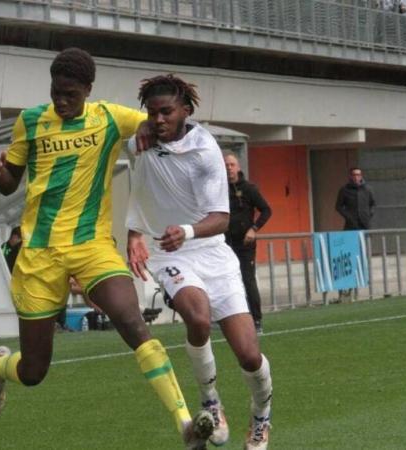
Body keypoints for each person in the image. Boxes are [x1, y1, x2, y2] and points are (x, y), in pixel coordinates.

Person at [0, 48, 213, 449]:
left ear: (88, 89)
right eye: (56, 92)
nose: (62, 101)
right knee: (34, 371)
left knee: (131, 320)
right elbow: (10, 182)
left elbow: (162, 123)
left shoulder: (108, 117)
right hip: (39, 252)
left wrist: (145, 130)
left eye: (71, 93)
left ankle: (186, 423)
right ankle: (1, 367)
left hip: (92, 245)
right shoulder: (31, 121)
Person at [125, 74, 273, 450]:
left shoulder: (205, 150)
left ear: (185, 112)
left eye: (166, 112)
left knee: (249, 355)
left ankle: (260, 421)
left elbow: (221, 218)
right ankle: (211, 401)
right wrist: (135, 234)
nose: (158, 120)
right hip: (171, 254)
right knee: (198, 316)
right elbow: (137, 187)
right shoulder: (139, 143)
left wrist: (187, 231)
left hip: (210, 250)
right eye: (152, 113)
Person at [224, 153, 272, 333]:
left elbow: (267, 210)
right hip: (224, 243)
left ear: (238, 167)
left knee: (247, 279)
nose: (229, 168)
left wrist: (254, 228)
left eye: (232, 165)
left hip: (244, 243)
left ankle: (257, 320)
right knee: (225, 281)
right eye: (226, 165)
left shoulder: (249, 188)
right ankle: (228, 319)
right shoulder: (219, 189)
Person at [335, 167, 376, 301]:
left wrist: (368, 215)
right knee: (351, 256)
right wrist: (348, 217)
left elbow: (373, 204)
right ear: (350, 176)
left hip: (365, 226)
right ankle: (349, 290)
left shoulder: (367, 189)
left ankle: (366, 285)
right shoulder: (344, 190)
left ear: (361, 176)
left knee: (364, 254)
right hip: (351, 227)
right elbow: (338, 206)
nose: (356, 177)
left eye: (358, 174)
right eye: (354, 175)